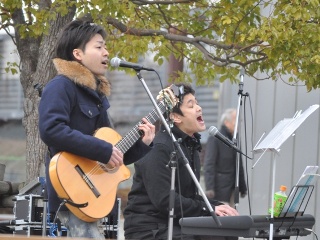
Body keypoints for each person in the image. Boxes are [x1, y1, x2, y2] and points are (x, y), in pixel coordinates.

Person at [38, 18, 155, 239]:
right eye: (99, 46)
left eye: (105, 47)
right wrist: (103, 150)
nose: (106, 52)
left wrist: (142, 144)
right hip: (70, 197)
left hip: (94, 200)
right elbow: (51, 130)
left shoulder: (96, 96)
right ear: (77, 54)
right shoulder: (60, 86)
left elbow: (113, 154)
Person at [123, 83, 239, 240]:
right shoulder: (159, 147)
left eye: (197, 103)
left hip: (174, 223)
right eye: (191, 105)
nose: (199, 108)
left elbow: (189, 196)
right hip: (148, 228)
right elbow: (165, 200)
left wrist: (217, 206)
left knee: (226, 232)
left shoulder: (189, 146)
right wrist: (208, 208)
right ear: (175, 117)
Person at [203, 108, 247, 207]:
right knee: (223, 217)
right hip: (219, 191)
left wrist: (243, 186)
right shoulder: (215, 139)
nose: (237, 124)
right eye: (235, 120)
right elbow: (209, 164)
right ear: (227, 122)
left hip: (232, 189)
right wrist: (209, 187)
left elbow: (239, 165)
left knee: (232, 216)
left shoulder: (234, 139)